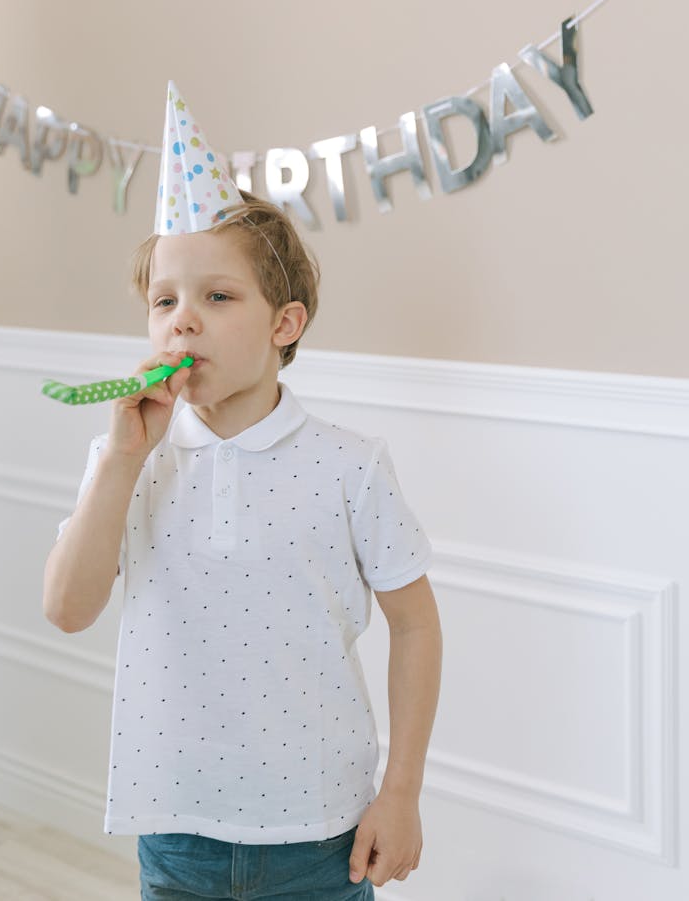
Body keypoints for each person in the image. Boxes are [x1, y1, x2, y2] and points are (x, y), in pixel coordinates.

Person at [44, 85, 442, 899]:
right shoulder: (126, 460)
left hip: (324, 838)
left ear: (283, 324)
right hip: (176, 831)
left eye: (217, 297)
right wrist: (121, 459)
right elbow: (67, 607)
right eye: (165, 301)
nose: (182, 321)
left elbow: (416, 626)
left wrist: (399, 792)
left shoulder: (349, 466)